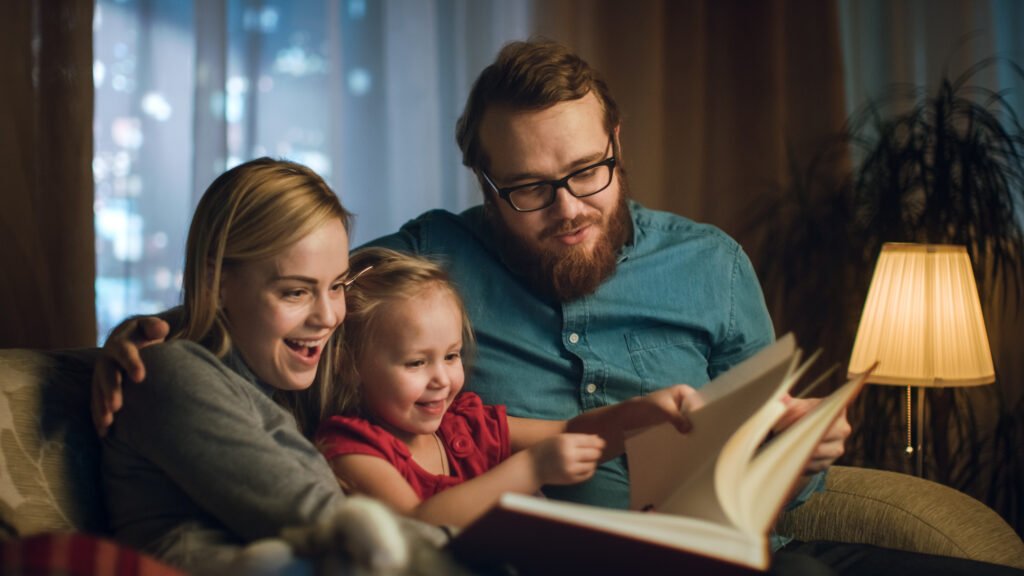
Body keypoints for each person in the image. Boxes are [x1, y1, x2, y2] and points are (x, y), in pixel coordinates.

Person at [95, 41, 1023, 575]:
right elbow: (293, 305)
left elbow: (776, 466)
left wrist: (796, 453)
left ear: (616, 142)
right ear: (484, 181)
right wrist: (150, 332)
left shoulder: (712, 264)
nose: (571, 209)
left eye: (588, 173)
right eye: (531, 189)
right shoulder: (424, 256)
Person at [100, 158, 455, 575]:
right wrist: (473, 549)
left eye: (337, 286)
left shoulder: (291, 374)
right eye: (295, 292)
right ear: (219, 283)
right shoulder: (168, 373)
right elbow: (323, 521)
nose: (327, 316)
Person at [315, 247, 700, 528]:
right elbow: (419, 527)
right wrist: (532, 468)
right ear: (351, 368)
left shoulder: (463, 424)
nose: (442, 379)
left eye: (451, 356)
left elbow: (571, 432)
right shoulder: (351, 449)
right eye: (417, 362)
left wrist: (646, 412)